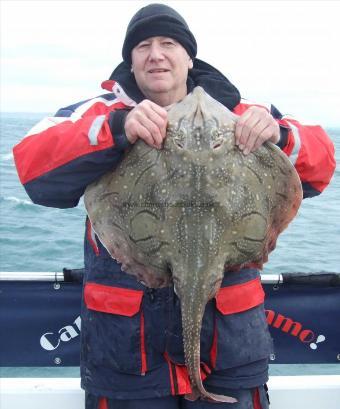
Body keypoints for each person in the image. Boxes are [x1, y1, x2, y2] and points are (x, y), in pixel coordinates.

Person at [13, 3, 335, 409]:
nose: (156, 54)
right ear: (129, 59)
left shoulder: (242, 113)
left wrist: (282, 136)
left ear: (189, 56)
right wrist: (117, 131)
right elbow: (31, 167)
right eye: (143, 45)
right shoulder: (103, 114)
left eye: (168, 43)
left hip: (231, 345)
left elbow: (322, 165)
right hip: (129, 351)